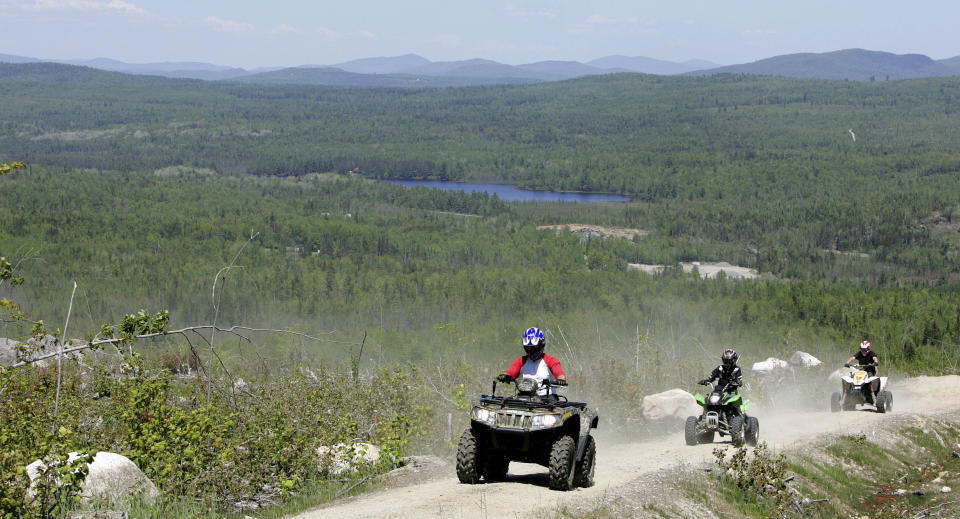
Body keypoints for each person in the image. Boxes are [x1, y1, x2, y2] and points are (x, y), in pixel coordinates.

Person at [497, 327, 567, 396]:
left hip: (547, 398)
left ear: (542, 344)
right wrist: (505, 376)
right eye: (528, 347)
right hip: (525, 397)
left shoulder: (550, 360)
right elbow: (511, 372)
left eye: (535, 347)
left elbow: (560, 374)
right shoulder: (521, 361)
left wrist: (561, 380)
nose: (532, 350)